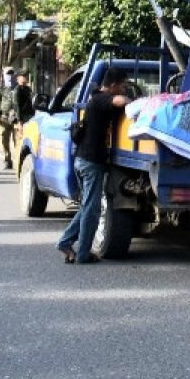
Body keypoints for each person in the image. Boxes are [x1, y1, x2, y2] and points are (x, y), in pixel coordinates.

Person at [57, 68, 132, 264]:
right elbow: (119, 101)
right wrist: (137, 103)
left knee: (87, 206)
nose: (124, 90)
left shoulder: (95, 99)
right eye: (123, 86)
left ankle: (65, 242)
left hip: (83, 160)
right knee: (92, 210)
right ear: (113, 85)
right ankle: (82, 254)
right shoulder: (100, 99)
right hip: (91, 163)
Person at [0, 67, 18, 171]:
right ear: (4, 74)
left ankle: (18, 161)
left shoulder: (18, 86)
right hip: (4, 118)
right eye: (8, 73)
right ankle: (7, 161)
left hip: (16, 118)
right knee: (5, 140)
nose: (10, 75)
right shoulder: (1, 87)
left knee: (18, 141)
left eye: (12, 73)